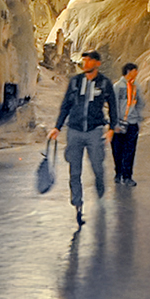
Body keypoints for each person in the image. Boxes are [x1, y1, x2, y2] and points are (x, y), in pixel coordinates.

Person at [49, 50, 117, 226]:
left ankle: (100, 186)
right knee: (75, 171)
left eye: (89, 61)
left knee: (97, 166)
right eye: (84, 60)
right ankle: (78, 205)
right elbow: (66, 105)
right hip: (75, 131)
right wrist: (57, 127)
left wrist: (112, 128)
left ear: (97, 63)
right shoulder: (75, 82)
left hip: (95, 130)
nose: (85, 63)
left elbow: (113, 106)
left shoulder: (104, 83)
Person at [111, 62, 142, 185]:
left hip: (132, 123)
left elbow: (140, 102)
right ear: (129, 71)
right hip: (119, 123)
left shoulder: (136, 87)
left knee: (130, 150)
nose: (137, 73)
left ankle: (127, 176)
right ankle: (118, 172)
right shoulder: (117, 87)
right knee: (117, 149)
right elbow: (114, 105)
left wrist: (138, 116)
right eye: (135, 71)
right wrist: (116, 122)